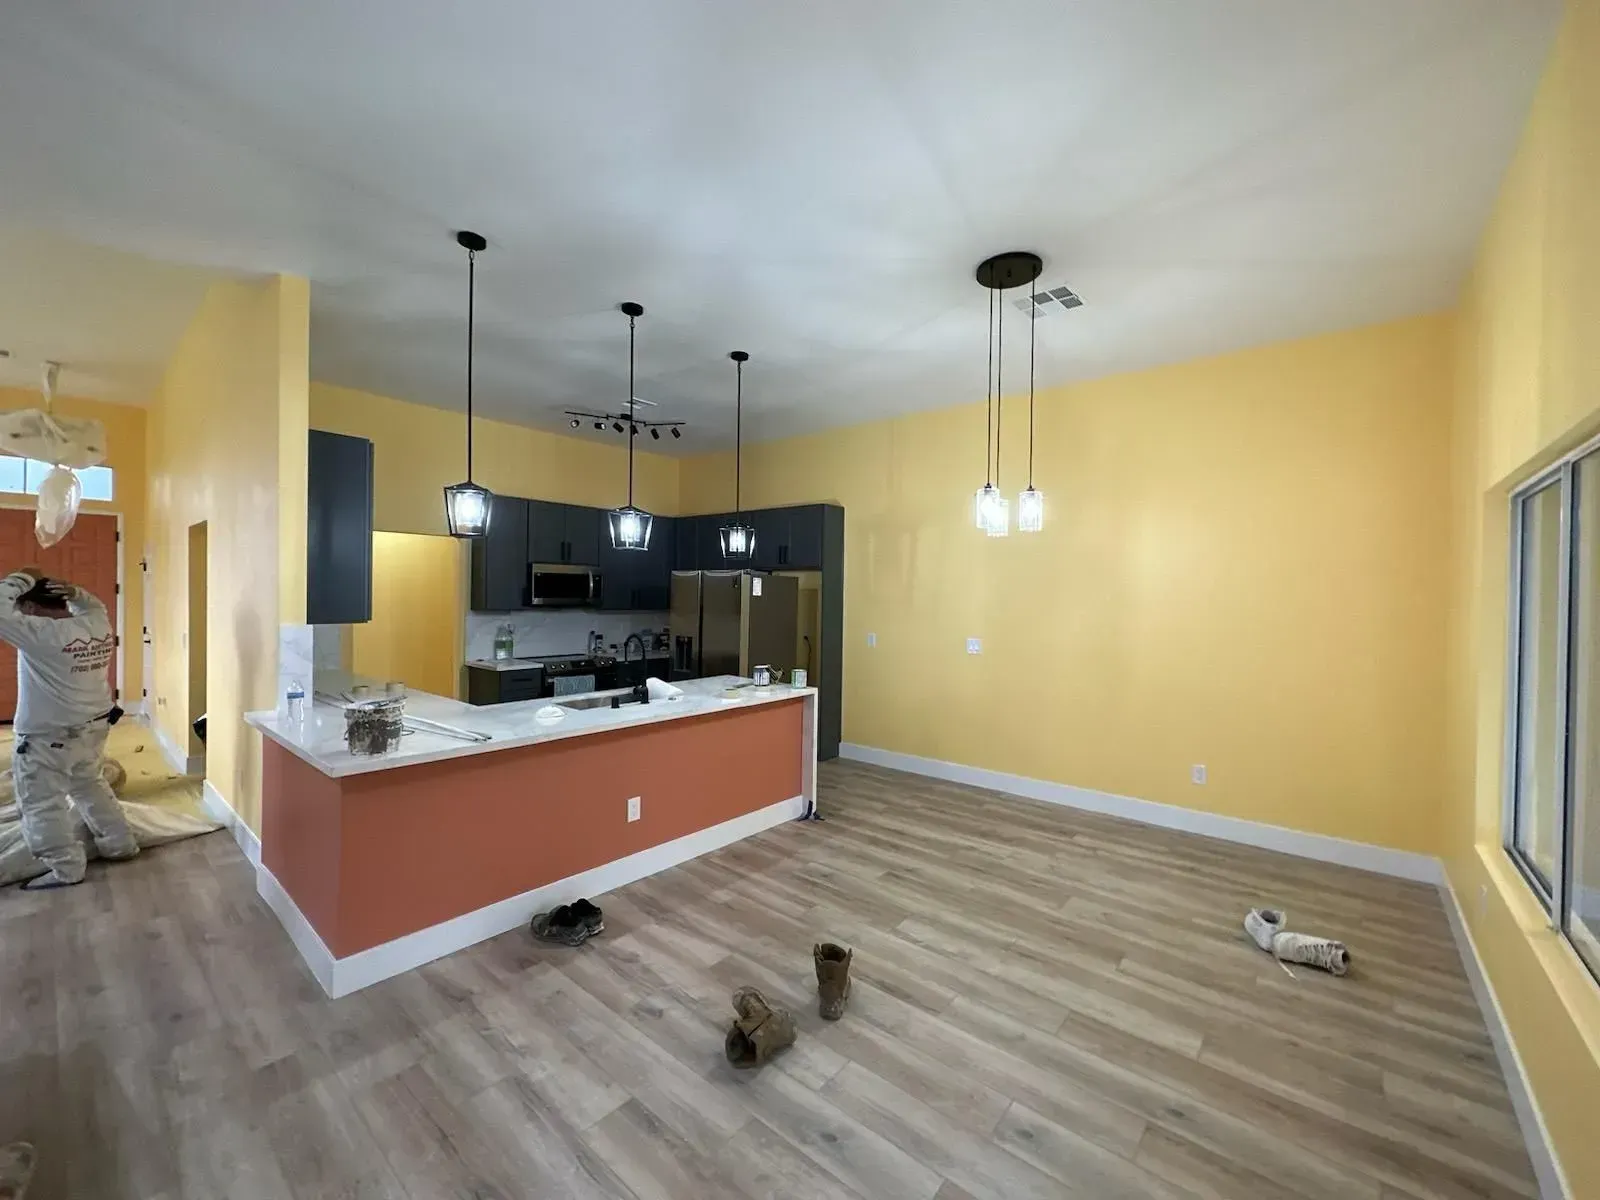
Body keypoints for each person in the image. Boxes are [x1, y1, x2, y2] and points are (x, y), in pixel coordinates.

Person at [0, 566, 138, 888]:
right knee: (89, 784)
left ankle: (66, 868)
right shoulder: (95, 623)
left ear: (31, 608)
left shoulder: (42, 634)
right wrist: (74, 591)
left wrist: (22, 578)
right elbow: (95, 605)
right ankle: (120, 844)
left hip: (48, 738)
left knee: (41, 802)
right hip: (93, 727)